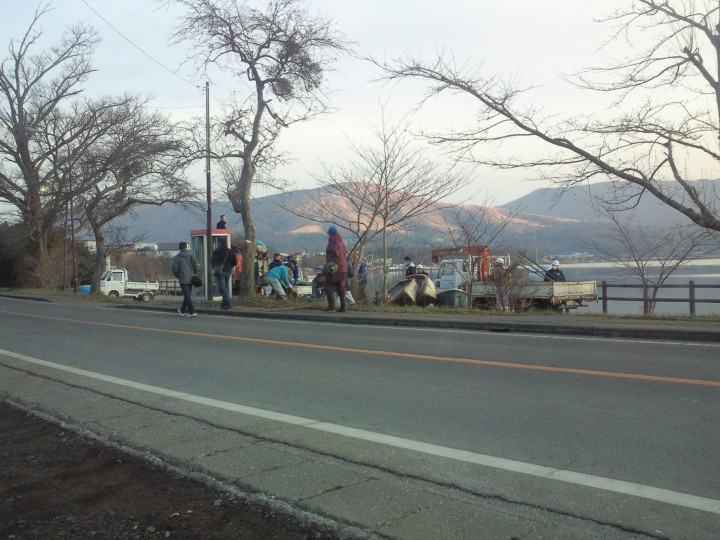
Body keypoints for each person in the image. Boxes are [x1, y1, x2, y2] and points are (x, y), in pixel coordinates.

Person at [171, 241, 199, 317]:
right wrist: (195, 273)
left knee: (187, 296)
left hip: (183, 279)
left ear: (179, 248)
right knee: (188, 295)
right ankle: (182, 310)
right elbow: (196, 265)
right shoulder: (191, 255)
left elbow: (174, 269)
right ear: (186, 247)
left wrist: (178, 276)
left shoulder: (177, 257)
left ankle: (192, 312)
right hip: (192, 278)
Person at [324, 225, 348, 312]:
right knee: (341, 286)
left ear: (330, 233)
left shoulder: (333, 240)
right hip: (343, 268)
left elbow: (334, 252)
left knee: (328, 284)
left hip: (335, 267)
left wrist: (329, 263)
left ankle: (331, 305)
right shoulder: (342, 241)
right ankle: (343, 307)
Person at [211, 238, 237, 309]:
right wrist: (230, 267)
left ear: (219, 242)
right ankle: (223, 304)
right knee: (225, 287)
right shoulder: (231, 251)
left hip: (220, 272)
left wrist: (216, 266)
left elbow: (212, 261)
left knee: (222, 288)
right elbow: (235, 262)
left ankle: (228, 303)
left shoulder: (217, 251)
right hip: (228, 271)